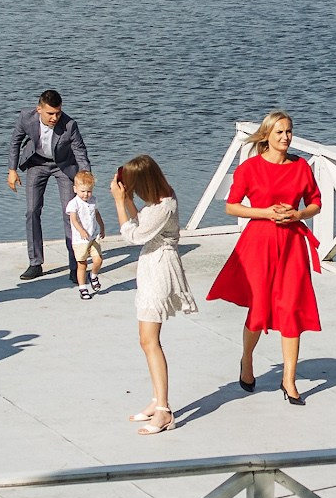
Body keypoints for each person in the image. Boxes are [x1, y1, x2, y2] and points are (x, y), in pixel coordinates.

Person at [206, 110, 321, 406]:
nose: (286, 137)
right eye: (280, 132)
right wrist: (266, 212)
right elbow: (232, 207)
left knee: (292, 308)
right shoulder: (250, 169)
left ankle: (289, 380)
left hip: (292, 242)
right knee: (258, 308)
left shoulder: (301, 168)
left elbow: (315, 203)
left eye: (289, 132)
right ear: (267, 136)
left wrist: (298, 214)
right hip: (259, 243)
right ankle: (247, 360)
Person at [112, 155, 196, 434]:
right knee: (146, 340)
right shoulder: (160, 200)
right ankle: (156, 400)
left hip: (159, 270)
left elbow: (132, 235)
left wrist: (118, 201)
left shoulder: (163, 206)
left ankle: (164, 410)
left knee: (150, 341)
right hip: (153, 266)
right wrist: (127, 201)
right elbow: (141, 222)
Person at [6, 89, 91, 281]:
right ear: (39, 109)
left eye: (58, 113)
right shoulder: (26, 118)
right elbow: (15, 142)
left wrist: (85, 178)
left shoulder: (69, 125)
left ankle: (75, 266)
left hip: (63, 166)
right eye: (50, 113)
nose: (54, 118)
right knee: (32, 211)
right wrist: (12, 170)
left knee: (70, 213)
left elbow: (80, 152)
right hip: (36, 163)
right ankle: (35, 263)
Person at [67, 171, 107, 298]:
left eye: (89, 191)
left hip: (93, 236)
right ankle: (82, 287)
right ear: (75, 189)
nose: (86, 194)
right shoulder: (74, 203)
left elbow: (96, 214)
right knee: (82, 264)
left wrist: (102, 226)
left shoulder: (93, 201)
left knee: (98, 260)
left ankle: (93, 276)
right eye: (83, 191)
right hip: (80, 239)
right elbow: (73, 219)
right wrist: (81, 230)